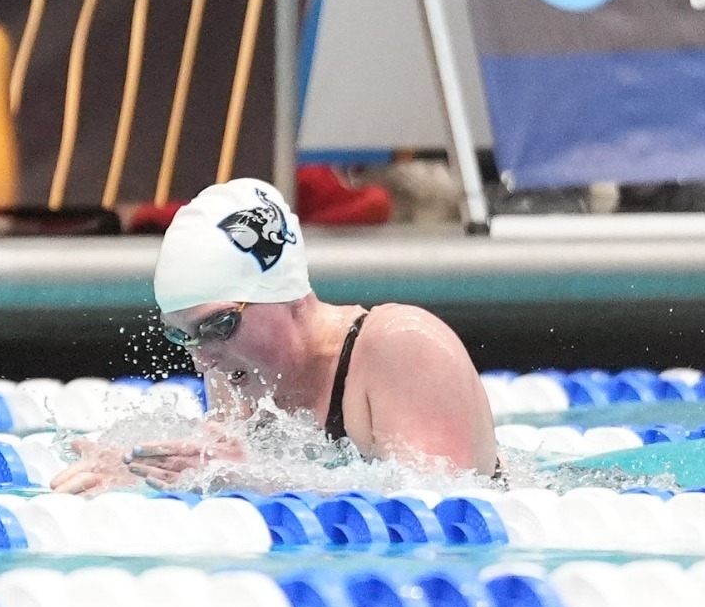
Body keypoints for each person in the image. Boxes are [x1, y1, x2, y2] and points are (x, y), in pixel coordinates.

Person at [52, 179, 501, 493]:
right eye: (184, 336)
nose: (202, 360)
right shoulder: (235, 373)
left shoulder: (401, 347)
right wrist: (151, 475)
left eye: (218, 326)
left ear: (285, 293)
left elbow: (437, 516)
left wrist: (255, 480)